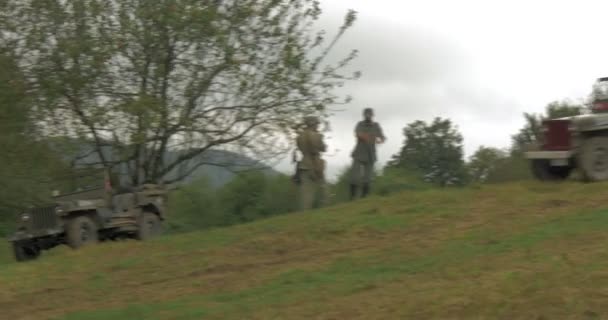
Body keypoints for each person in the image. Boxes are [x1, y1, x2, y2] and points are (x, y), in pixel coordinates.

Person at [350, 108, 385, 199]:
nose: (368, 116)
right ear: (364, 115)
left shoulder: (376, 126)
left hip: (370, 154)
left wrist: (380, 140)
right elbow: (358, 133)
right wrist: (366, 136)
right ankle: (352, 197)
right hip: (359, 152)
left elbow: (382, 137)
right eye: (366, 114)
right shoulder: (360, 124)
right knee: (354, 177)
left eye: (370, 114)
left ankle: (364, 197)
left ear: (372, 115)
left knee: (368, 178)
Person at [295, 115, 328, 210]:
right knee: (324, 191)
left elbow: (300, 148)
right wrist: (321, 137)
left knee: (306, 194)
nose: (318, 125)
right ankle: (324, 210)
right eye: (317, 123)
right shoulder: (317, 135)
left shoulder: (300, 136)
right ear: (313, 124)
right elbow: (323, 148)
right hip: (316, 165)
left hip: (303, 165)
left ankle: (304, 215)